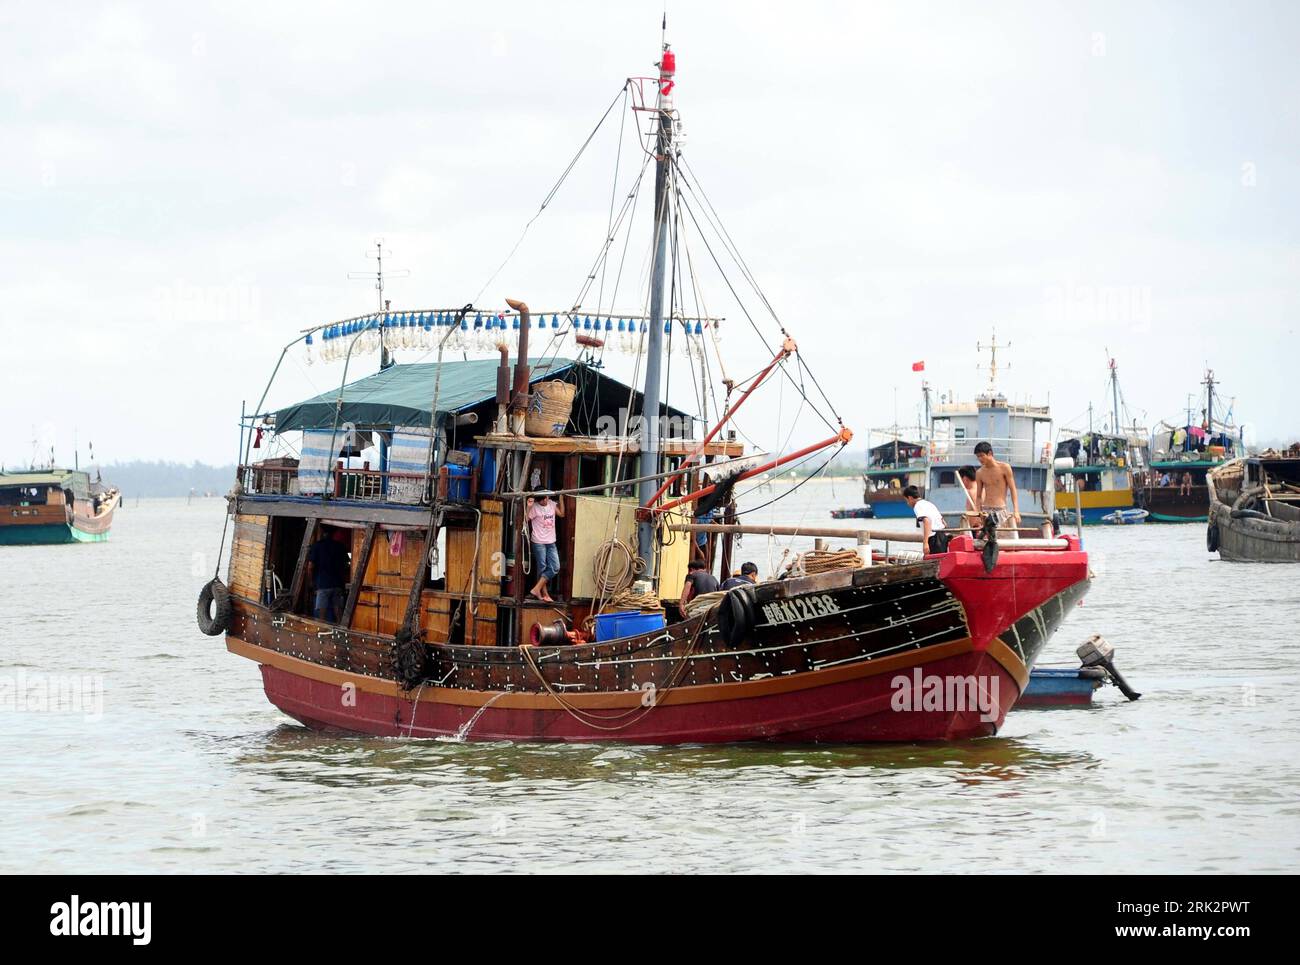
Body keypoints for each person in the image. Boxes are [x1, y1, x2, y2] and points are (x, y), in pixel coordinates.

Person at [526, 489, 564, 602]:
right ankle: (545, 595)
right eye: (543, 500)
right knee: (542, 568)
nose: (545, 500)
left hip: (551, 541)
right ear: (539, 500)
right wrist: (529, 506)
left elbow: (562, 514)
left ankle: (537, 589)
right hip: (538, 542)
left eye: (546, 498)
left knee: (555, 567)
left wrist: (561, 498)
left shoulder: (552, 504)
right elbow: (525, 519)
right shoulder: (535, 507)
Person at [974, 441, 1020, 534]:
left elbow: (1013, 489)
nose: (980, 459)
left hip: (1000, 510)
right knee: (987, 540)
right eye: (978, 456)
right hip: (986, 510)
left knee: (1001, 539)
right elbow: (978, 496)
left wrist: (1016, 511)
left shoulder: (1004, 468)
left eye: (982, 455)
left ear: (990, 453)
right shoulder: (979, 473)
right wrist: (978, 513)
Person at [307, 527, 351, 623]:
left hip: (322, 585)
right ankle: (341, 634)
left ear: (322, 533)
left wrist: (310, 582)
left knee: (321, 615)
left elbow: (310, 566)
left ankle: (320, 633)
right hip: (338, 584)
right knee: (338, 612)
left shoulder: (317, 546)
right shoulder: (340, 546)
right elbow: (347, 565)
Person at [903, 484, 948, 554]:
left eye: (906, 500)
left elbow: (927, 521)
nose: (907, 503)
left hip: (934, 539)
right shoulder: (929, 504)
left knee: (932, 562)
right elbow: (944, 523)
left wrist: (925, 543)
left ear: (910, 498)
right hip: (942, 536)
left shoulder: (917, 506)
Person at [958, 465, 982, 531]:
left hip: (976, 529)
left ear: (965, 478)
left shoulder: (971, 492)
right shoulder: (983, 489)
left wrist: (967, 530)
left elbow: (974, 515)